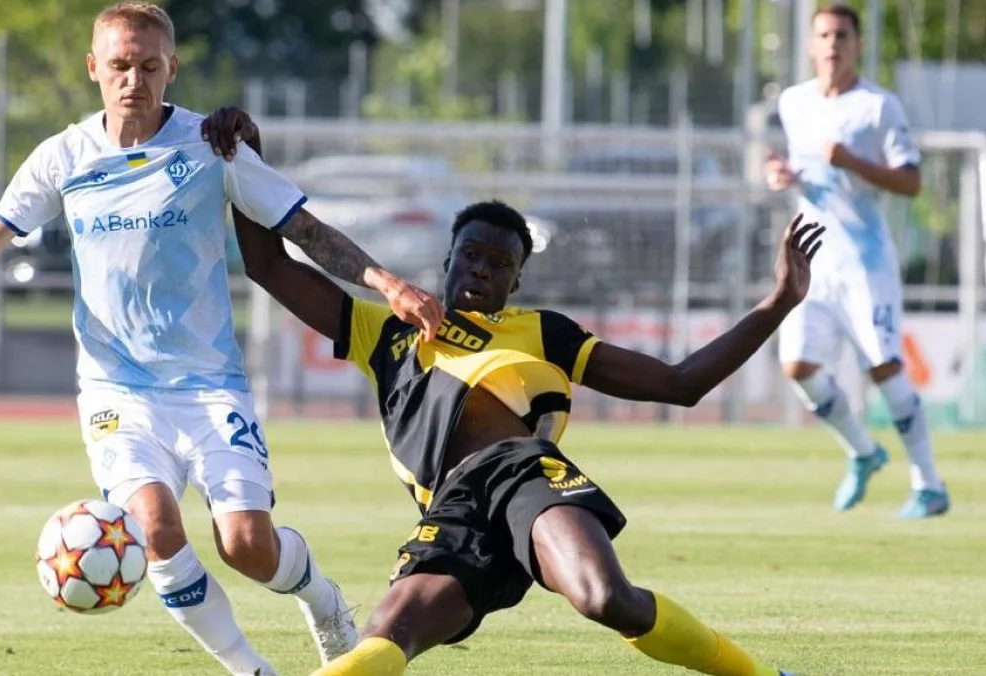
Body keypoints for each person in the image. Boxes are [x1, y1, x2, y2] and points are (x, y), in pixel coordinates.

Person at [0, 3, 445, 675]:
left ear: (171, 68)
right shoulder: (63, 156)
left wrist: (386, 282)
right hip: (117, 392)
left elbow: (304, 230)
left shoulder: (212, 146)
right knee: (155, 527)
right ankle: (252, 670)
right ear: (94, 67)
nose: (134, 80)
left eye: (149, 66)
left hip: (210, 386)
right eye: (120, 65)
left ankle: (322, 599)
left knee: (247, 546)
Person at [210, 114, 816, 673]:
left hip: (524, 474)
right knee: (386, 634)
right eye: (471, 254)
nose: (481, 268)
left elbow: (681, 384)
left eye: (499, 263)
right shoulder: (387, 328)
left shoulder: (543, 331)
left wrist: (779, 301)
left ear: (517, 280)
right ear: (448, 259)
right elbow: (269, 267)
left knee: (605, 598)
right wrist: (245, 157)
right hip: (451, 505)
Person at [766, 2, 949, 519]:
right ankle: (864, 452)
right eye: (824, 35)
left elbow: (911, 182)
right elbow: (806, 169)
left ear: (858, 44)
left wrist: (853, 162)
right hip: (812, 258)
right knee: (798, 366)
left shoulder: (878, 106)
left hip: (865, 262)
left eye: (842, 35)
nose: (833, 44)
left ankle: (929, 484)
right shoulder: (795, 102)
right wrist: (782, 174)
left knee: (884, 367)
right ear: (811, 44)